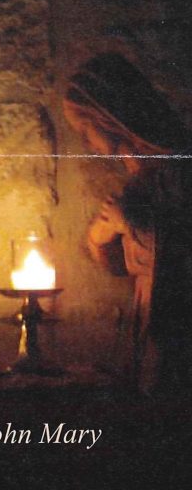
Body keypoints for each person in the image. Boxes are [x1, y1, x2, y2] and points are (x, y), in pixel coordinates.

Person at [63, 53, 192, 392]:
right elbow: (127, 264)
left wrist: (128, 224)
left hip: (178, 322)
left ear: (107, 116)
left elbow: (180, 256)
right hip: (150, 316)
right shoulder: (141, 175)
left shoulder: (178, 169)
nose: (85, 142)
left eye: (85, 129)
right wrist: (101, 237)